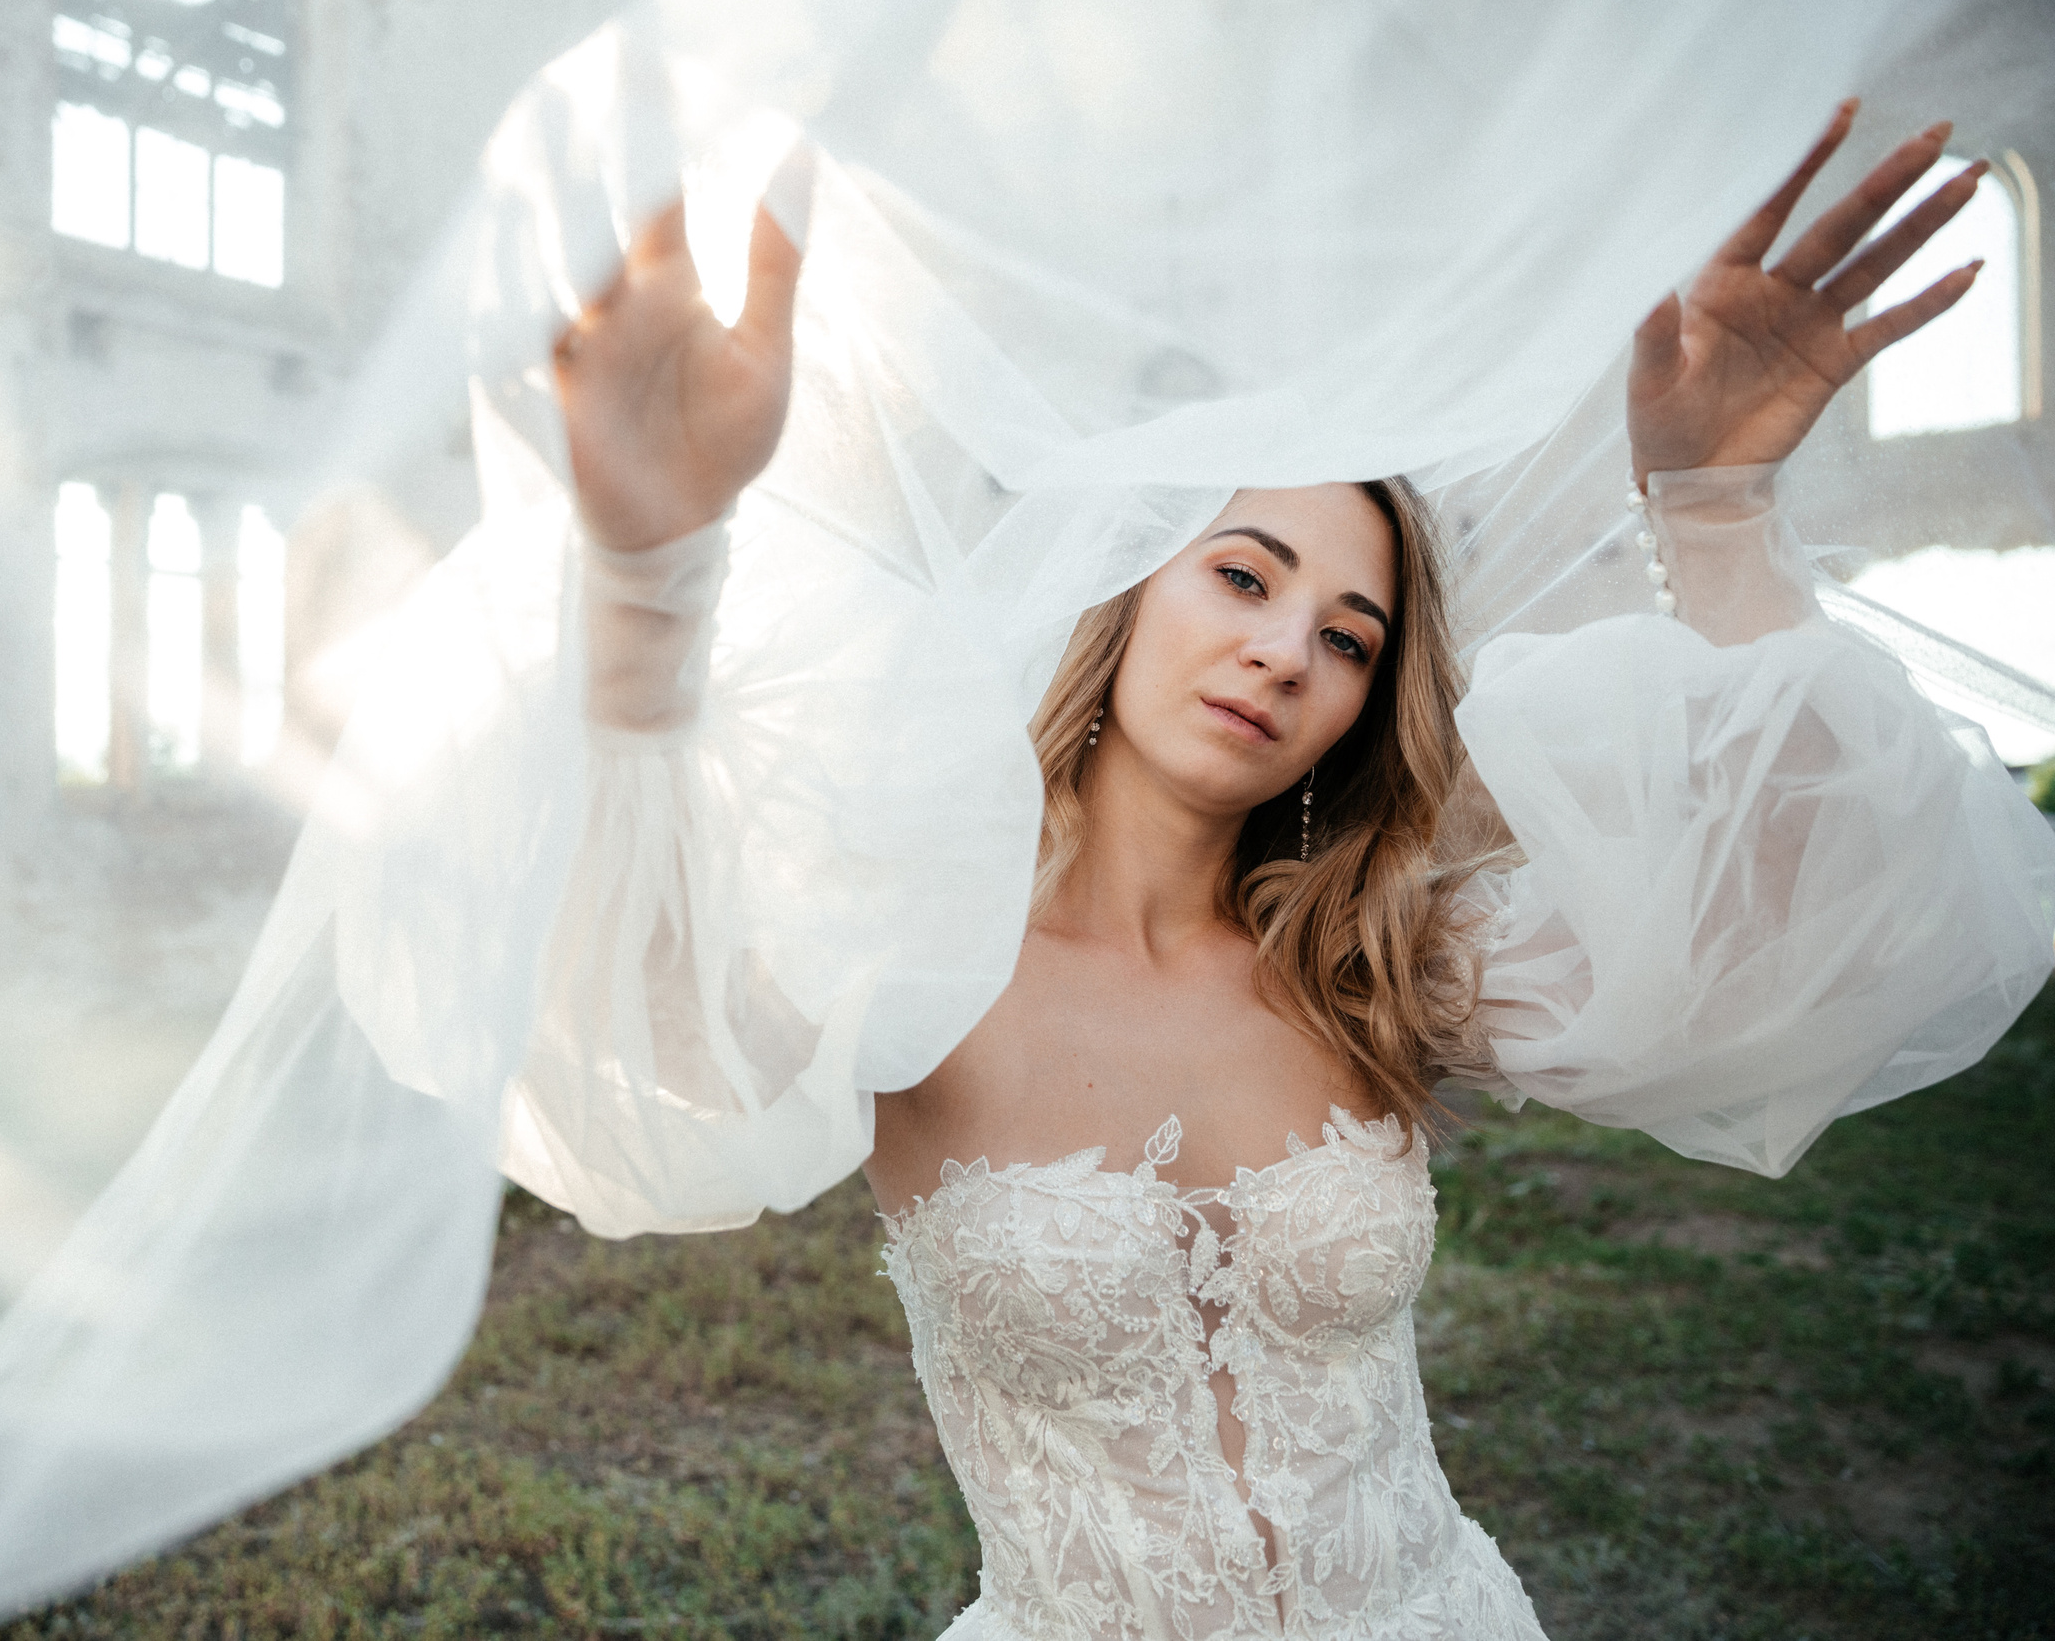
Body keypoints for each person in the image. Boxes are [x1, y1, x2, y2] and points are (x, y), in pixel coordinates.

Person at [544, 102, 2049, 1638]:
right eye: (1243, 576)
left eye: (1349, 636)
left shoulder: (1379, 962)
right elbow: (640, 1035)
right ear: (1123, 597)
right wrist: (645, 583)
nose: (1284, 650)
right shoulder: (923, 963)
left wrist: (1716, 512)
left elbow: (1797, 936)